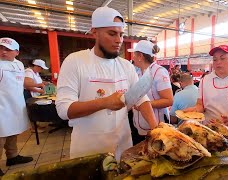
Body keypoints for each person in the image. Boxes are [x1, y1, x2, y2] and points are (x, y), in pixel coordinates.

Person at [55, 7, 158, 160]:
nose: (119, 40)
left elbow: (141, 98)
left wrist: (156, 129)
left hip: (123, 145)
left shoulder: (126, 66)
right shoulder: (75, 61)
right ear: (94, 32)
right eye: (112, 33)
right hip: (89, 148)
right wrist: (105, 102)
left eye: (121, 34)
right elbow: (64, 110)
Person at [184, 45, 228, 126]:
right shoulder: (205, 80)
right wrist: (193, 111)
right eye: (215, 59)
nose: (218, 62)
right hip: (209, 128)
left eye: (222, 58)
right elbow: (200, 105)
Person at [128, 40, 173, 144]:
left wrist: (144, 105)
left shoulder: (159, 72)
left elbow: (169, 100)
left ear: (140, 56)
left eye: (134, 54)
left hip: (156, 126)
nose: (132, 57)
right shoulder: (137, 72)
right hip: (140, 127)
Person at [0, 37, 33, 176]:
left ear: (17, 52)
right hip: (1, 106)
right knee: (0, 136)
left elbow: (21, 82)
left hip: (15, 104)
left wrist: (37, 85)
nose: (3, 51)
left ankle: (12, 157)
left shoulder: (19, 65)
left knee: (13, 132)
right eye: (1, 48)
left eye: (7, 49)